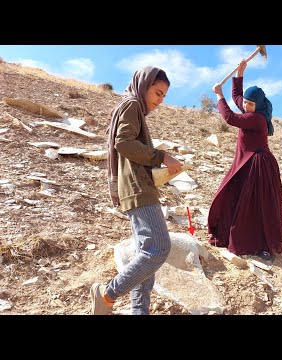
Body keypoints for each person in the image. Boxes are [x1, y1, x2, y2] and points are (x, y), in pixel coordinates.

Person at [90, 66, 182, 315]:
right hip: (138, 188)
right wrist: (161, 156)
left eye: (164, 96)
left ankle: (139, 311)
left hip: (136, 187)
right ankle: (107, 294)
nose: (160, 100)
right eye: (157, 93)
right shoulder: (131, 105)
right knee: (158, 249)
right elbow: (123, 142)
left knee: (145, 255)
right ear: (144, 86)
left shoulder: (132, 108)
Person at [207, 59, 282, 260]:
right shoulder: (250, 110)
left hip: (258, 166)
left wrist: (218, 95)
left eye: (251, 104)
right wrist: (240, 73)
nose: (247, 106)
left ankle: (262, 245)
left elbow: (230, 118)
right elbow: (238, 97)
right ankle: (231, 233)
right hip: (246, 162)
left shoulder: (257, 119)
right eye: (247, 104)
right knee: (237, 197)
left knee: (257, 206)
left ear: (258, 106)